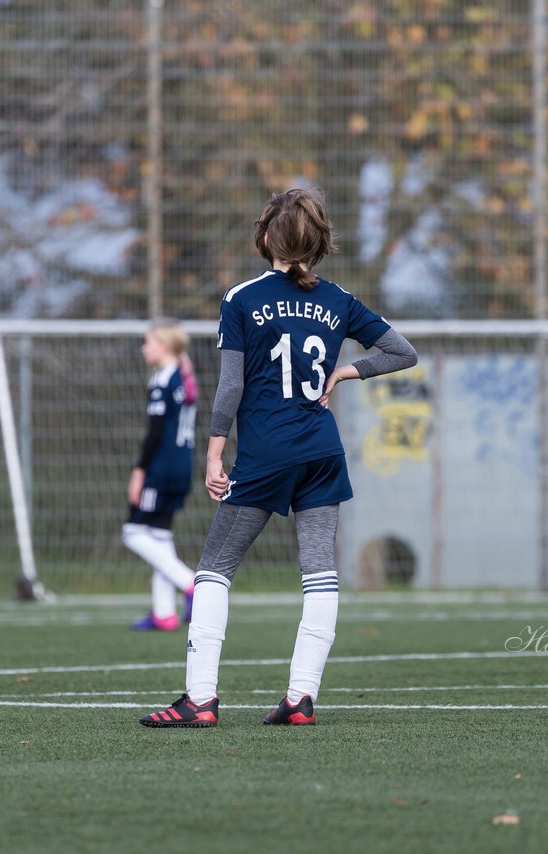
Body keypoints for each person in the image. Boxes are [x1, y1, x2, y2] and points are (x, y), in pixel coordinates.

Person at [141, 187, 417, 727]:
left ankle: (199, 700)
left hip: (267, 453)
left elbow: (229, 389)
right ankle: (301, 699)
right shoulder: (337, 299)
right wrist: (346, 371)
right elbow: (401, 352)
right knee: (319, 575)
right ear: (317, 243)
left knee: (214, 571)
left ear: (266, 236)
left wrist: (214, 454)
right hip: (321, 450)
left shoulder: (242, 298)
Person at [122, 320, 198, 631]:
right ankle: (164, 613)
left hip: (162, 468)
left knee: (132, 533)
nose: (144, 348)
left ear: (164, 345)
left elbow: (154, 435)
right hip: (183, 466)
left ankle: (192, 584)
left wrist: (139, 472)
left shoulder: (163, 380)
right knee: (160, 536)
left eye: (148, 342)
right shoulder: (185, 378)